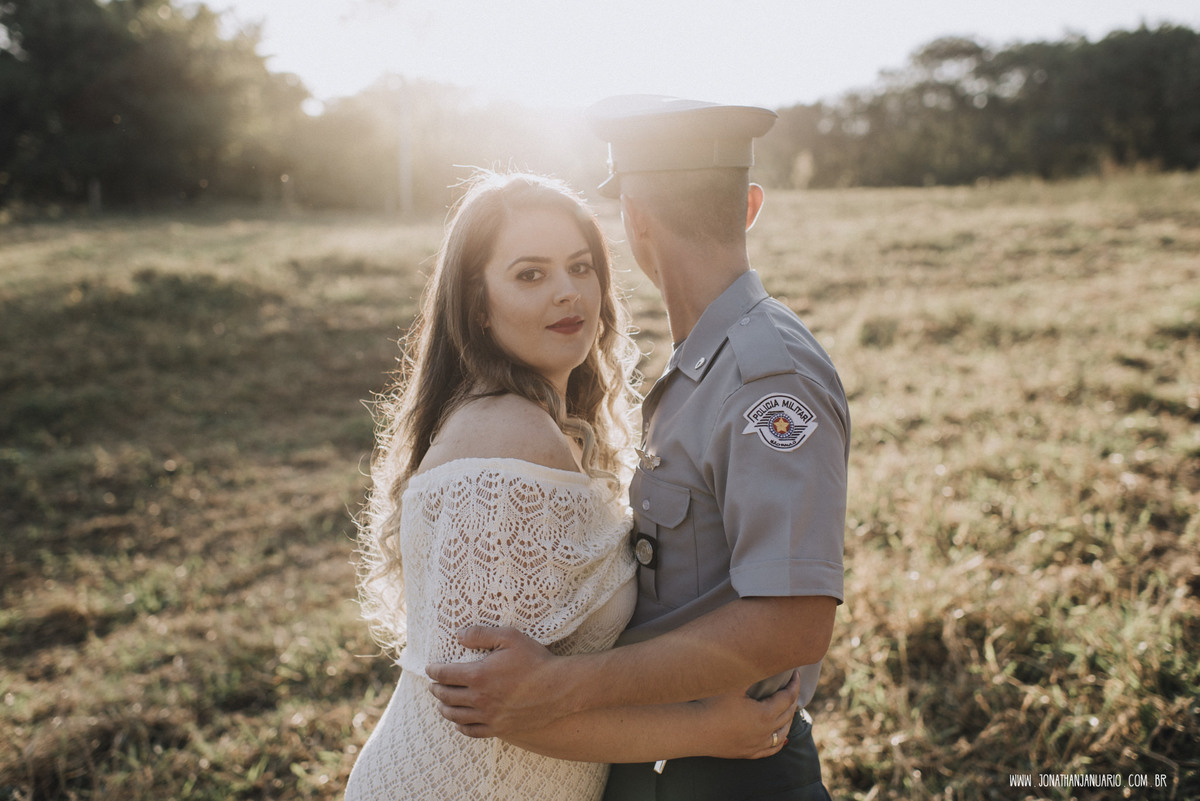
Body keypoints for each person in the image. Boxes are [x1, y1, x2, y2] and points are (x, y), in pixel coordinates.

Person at [425, 98, 851, 801]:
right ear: (750, 206)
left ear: (635, 219)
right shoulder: (704, 365)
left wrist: (561, 684)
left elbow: (794, 623)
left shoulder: (763, 377)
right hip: (659, 758)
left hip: (729, 772)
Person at [345, 170, 803, 801]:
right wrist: (708, 729)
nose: (568, 292)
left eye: (581, 267)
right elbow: (494, 709)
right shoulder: (509, 435)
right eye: (530, 274)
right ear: (477, 304)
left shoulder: (538, 425)